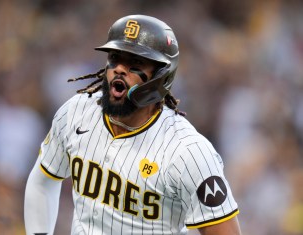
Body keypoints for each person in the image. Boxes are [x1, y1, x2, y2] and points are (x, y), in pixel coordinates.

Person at [24, 14, 242, 235]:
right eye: (115, 58)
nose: (119, 69)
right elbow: (43, 181)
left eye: (135, 63)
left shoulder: (188, 152)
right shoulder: (76, 113)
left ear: (161, 77)